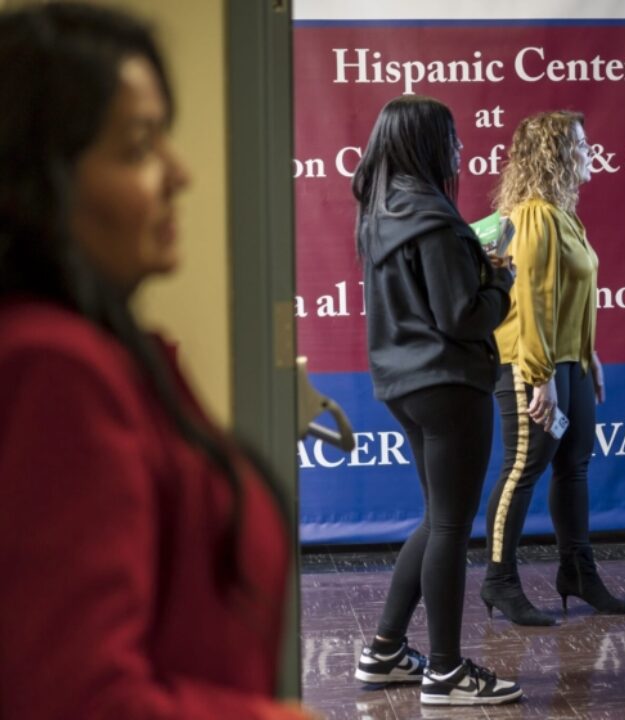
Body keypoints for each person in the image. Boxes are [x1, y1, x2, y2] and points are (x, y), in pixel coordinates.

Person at [0, 4, 313, 718]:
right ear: (39, 179)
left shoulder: (107, 355)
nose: (180, 172)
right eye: (139, 147)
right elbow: (68, 696)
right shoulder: (51, 368)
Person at [351, 95, 521, 706]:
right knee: (450, 523)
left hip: (402, 385)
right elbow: (463, 316)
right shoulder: (434, 218)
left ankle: (387, 651)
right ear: (426, 145)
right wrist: (501, 279)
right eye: (451, 139)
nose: (460, 150)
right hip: (450, 383)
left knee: (436, 517)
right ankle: (446, 672)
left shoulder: (377, 214)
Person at [480, 110, 625, 626]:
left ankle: (578, 573)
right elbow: (529, 299)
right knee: (525, 465)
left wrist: (588, 354)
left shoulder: (565, 216)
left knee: (575, 463)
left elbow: (573, 296)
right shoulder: (532, 216)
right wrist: (539, 374)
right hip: (529, 363)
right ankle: (499, 581)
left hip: (566, 360)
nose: (591, 151)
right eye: (581, 144)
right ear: (556, 155)